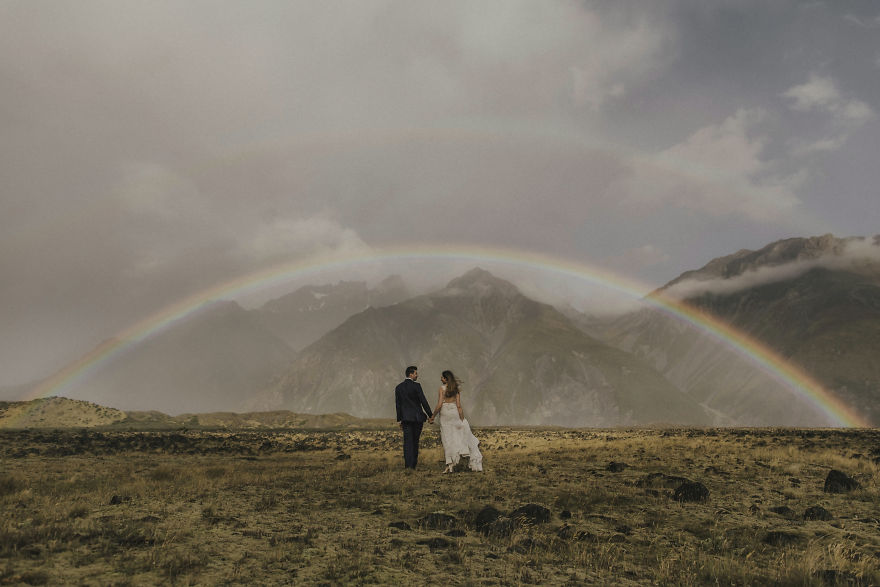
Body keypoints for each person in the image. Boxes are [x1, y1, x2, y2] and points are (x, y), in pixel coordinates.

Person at [431, 370, 483, 473]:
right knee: (457, 437)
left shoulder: (441, 389)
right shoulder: (456, 389)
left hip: (445, 414)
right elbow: (459, 406)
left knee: (447, 439)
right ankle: (457, 461)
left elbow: (440, 404)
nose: (440, 379)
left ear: (446, 379)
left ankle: (450, 465)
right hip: (454, 413)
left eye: (442, 377)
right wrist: (462, 419)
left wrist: (433, 416)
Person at [394, 365, 434, 470]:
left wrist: (400, 420)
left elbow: (398, 405)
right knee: (415, 441)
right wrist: (430, 415)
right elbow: (423, 401)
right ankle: (413, 465)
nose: (417, 375)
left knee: (407, 442)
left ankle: (408, 466)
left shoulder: (399, 387)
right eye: (416, 373)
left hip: (406, 419)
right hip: (417, 418)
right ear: (411, 374)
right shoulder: (417, 386)